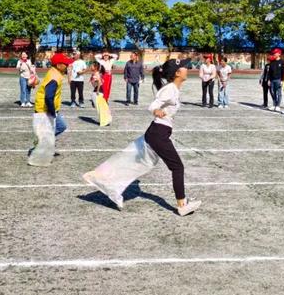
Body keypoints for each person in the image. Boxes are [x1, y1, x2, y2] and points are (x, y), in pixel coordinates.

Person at [83, 58, 202, 215]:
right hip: (158, 133)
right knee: (177, 166)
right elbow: (153, 105)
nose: (188, 68)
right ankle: (182, 204)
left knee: (132, 162)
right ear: (178, 73)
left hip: (159, 133)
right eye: (184, 67)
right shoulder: (170, 89)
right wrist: (156, 111)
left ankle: (102, 179)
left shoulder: (174, 89)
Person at [28, 53, 73, 166]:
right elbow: (49, 96)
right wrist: (52, 112)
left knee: (60, 126)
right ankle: (41, 143)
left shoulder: (55, 72)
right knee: (55, 128)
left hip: (49, 108)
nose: (67, 65)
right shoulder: (54, 77)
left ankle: (43, 140)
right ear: (58, 65)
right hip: (45, 109)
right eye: (65, 64)